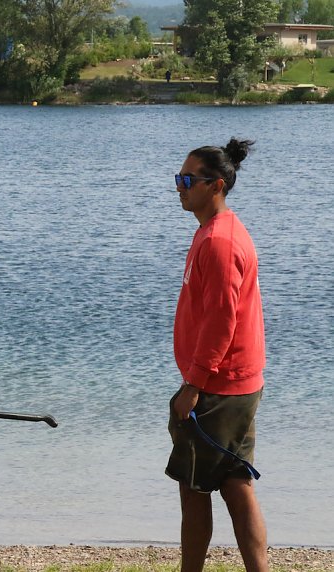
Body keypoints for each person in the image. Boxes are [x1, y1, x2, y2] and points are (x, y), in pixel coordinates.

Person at [166, 138, 269, 572]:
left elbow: (221, 321)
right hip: (233, 381)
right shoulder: (213, 231)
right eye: (178, 178)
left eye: (188, 180)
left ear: (217, 186)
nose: (179, 186)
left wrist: (193, 385)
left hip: (219, 386)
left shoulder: (221, 243)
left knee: (195, 486)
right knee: (234, 481)